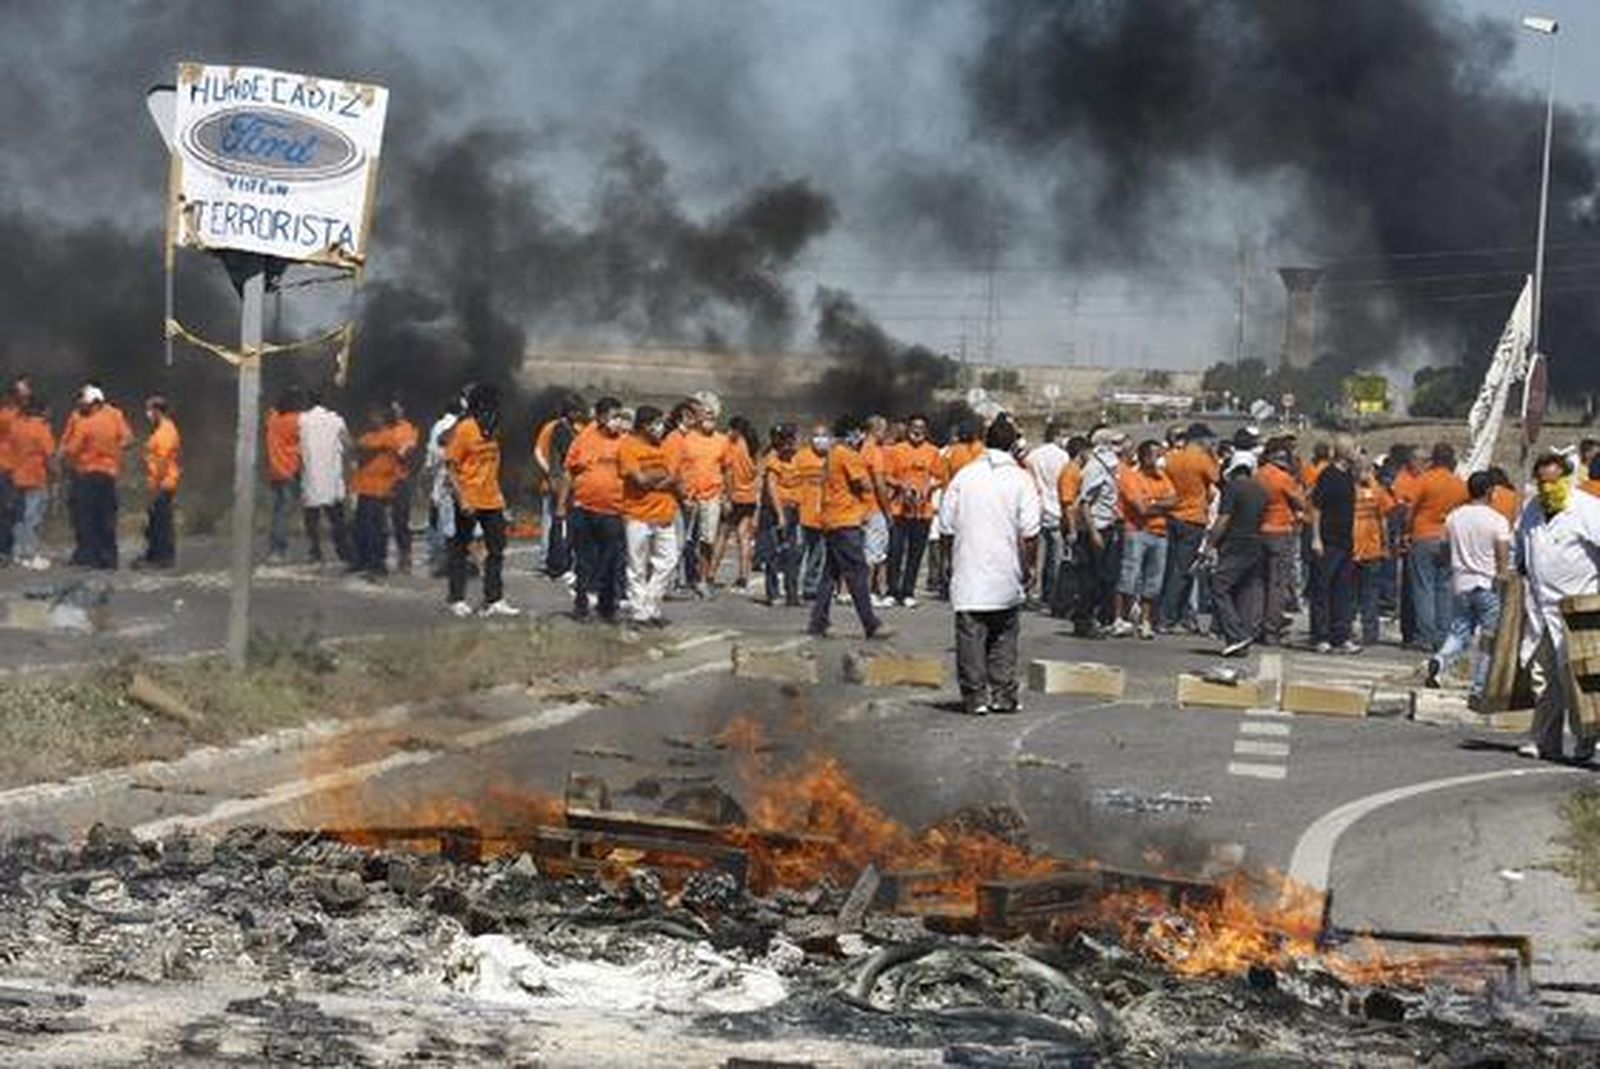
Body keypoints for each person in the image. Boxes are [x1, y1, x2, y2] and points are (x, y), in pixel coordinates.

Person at [939, 415, 1042, 715]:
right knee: (1004, 636)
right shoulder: (1021, 479)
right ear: (1013, 445)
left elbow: (946, 526)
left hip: (969, 570)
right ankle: (1003, 694)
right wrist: (1030, 567)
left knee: (970, 636)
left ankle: (975, 698)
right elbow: (1031, 532)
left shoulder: (965, 476)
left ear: (986, 442)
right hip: (1005, 573)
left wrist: (947, 561)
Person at [1516, 452, 1600, 765]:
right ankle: (1544, 740)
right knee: (1544, 677)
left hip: (1578, 610)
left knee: (1578, 680)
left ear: (1567, 479)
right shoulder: (1532, 510)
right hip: (1541, 609)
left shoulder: (1587, 509)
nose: (1548, 488)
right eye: (1542, 482)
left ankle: (1586, 740)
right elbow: (1520, 550)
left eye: (1554, 482)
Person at [1426, 471, 1511, 703]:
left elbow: (1443, 550)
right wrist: (1503, 577)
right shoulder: (1497, 520)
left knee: (1459, 631)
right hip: (1486, 584)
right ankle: (1478, 688)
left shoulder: (1454, 517)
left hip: (1461, 583)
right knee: (1488, 639)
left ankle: (1440, 659)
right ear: (1488, 491)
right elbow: (1502, 556)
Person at [807, 415, 889, 640]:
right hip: (846, 521)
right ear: (852, 433)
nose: (861, 437)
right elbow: (864, 484)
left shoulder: (833, 454)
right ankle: (871, 623)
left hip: (832, 519)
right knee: (858, 572)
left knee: (831, 573)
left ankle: (818, 620)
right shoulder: (848, 455)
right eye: (859, 433)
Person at [444, 384, 518, 618]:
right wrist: (462, 499)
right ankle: (456, 598)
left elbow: (493, 467)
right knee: (461, 549)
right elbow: (451, 467)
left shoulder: (494, 429)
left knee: (497, 548)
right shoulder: (465, 429)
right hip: (469, 498)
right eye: (492, 404)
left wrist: (502, 501)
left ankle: (494, 599)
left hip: (492, 499)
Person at [1402, 443, 1469, 652]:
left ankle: (1426, 636)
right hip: (1448, 539)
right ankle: (1443, 635)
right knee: (1445, 588)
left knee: (1424, 588)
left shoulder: (1424, 480)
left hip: (1423, 536)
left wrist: (1406, 532)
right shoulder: (1460, 484)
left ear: (1434, 459)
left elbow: (1410, 509)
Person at [566, 396, 628, 622]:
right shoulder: (584, 438)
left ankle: (607, 606)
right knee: (584, 560)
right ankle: (581, 605)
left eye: (620, 416)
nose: (618, 421)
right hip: (584, 507)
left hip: (613, 510)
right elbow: (570, 469)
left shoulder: (625, 441)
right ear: (601, 417)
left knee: (611, 562)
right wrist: (564, 505)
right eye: (614, 417)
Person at [619, 405, 682, 627]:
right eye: (657, 423)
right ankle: (639, 612)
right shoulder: (628, 445)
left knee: (669, 561)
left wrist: (658, 478)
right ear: (645, 425)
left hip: (664, 513)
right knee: (637, 565)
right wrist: (661, 476)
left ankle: (650, 604)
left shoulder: (664, 445)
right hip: (637, 514)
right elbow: (640, 480)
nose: (661, 427)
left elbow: (673, 477)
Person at [59, 384, 132, 570]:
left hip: (86, 474)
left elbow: (72, 449)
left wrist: (63, 455)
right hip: (109, 474)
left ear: (93, 403)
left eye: (83, 401)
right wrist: (114, 450)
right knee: (106, 517)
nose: (80, 405)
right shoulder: (115, 414)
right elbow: (128, 440)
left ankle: (89, 557)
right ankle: (109, 559)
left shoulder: (85, 422)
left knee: (86, 517)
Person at [1204, 453, 1268, 657]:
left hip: (1235, 544)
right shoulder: (1261, 490)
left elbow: (1223, 519)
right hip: (1255, 543)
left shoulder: (1232, 488)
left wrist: (1209, 544)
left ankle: (1235, 635)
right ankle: (1244, 636)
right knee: (1245, 591)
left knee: (1219, 586)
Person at [1113, 439, 1177, 639]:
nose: (1158, 459)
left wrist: (1153, 502)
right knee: (1129, 576)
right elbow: (1141, 509)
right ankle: (1120, 619)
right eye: (1154, 455)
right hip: (1136, 532)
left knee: (1153, 581)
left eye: (1159, 454)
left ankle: (1145, 621)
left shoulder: (1163, 478)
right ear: (1143, 457)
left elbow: (1174, 500)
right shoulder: (1131, 477)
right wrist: (1161, 505)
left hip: (1160, 534)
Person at [1159, 422, 1220, 632]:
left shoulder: (1172, 458)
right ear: (1201, 440)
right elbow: (1216, 477)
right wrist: (1213, 455)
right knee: (1183, 570)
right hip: (1194, 518)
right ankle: (1167, 617)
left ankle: (1174, 615)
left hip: (1172, 515)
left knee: (1171, 568)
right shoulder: (1202, 459)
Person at [1307, 435, 1359, 653]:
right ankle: (1321, 636)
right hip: (1328, 540)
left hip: (1345, 541)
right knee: (1322, 588)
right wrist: (1316, 538)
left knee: (1342, 590)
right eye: (1355, 448)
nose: (1358, 452)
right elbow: (1316, 507)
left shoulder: (1348, 475)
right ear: (1345, 451)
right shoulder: (1328, 475)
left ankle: (1341, 635)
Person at [885, 414, 942, 608]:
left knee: (915, 554)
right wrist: (902, 485)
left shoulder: (933, 451)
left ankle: (908, 592)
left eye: (921, 427)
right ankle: (892, 591)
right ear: (908, 429)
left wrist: (929, 487)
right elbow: (887, 476)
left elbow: (940, 476)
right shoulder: (896, 450)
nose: (917, 431)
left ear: (926, 431)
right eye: (914, 427)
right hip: (899, 509)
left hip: (922, 511)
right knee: (895, 551)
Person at [1076, 429, 1126, 633]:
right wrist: (1094, 532)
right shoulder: (1095, 468)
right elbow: (1085, 502)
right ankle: (1084, 620)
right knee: (1091, 578)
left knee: (1106, 576)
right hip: (1096, 527)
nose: (1120, 447)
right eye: (1115, 443)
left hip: (1108, 525)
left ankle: (1098, 618)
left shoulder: (1110, 466)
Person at [1256, 445, 1305, 646]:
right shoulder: (1283, 478)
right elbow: (1300, 501)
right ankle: (1271, 628)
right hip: (1280, 531)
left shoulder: (1258, 475)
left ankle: (1257, 624)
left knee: (1259, 582)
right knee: (1277, 584)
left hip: (1260, 530)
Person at [679, 404, 730, 596]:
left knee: (707, 540)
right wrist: (682, 493)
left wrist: (727, 496)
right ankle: (681, 579)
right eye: (706, 414)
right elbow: (678, 467)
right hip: (689, 497)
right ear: (698, 417)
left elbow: (727, 469)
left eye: (713, 415)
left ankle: (702, 579)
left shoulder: (722, 440)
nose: (710, 417)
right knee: (684, 540)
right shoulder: (686, 439)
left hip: (712, 496)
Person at [533, 395, 584, 580]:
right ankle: (548, 560)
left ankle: (563, 560)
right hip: (556, 482)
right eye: (575, 410)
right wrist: (551, 474)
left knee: (565, 523)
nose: (578, 414)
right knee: (552, 522)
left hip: (570, 484)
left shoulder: (577, 428)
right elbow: (539, 452)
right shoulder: (554, 427)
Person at [299, 392, 352, 565]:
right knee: (337, 519)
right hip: (332, 477)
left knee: (311, 519)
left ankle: (315, 552)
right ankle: (344, 552)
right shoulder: (336, 420)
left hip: (311, 476)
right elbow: (348, 444)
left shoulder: (302, 420)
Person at [710, 415, 760, 593]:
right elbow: (757, 473)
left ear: (735, 430)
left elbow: (729, 473)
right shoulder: (753, 445)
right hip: (750, 497)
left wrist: (728, 497)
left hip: (735, 496)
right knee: (744, 537)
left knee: (722, 536)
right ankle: (743, 576)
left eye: (730, 429)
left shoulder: (734, 445)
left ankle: (711, 574)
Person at [1025, 420, 1072, 609]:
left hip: (1038, 508)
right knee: (1056, 558)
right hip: (1056, 509)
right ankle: (1052, 595)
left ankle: (1034, 591)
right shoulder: (1063, 457)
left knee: (1038, 557)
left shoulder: (1033, 455)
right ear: (1057, 435)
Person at [351, 405, 401, 577]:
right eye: (371, 416)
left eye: (376, 416)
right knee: (361, 527)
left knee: (377, 528)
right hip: (363, 488)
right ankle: (362, 560)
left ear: (383, 418)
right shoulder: (368, 436)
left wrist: (363, 448)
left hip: (380, 489)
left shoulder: (389, 435)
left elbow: (367, 449)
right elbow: (357, 449)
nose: (372, 419)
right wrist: (361, 448)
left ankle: (378, 563)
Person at [424, 387, 470, 577]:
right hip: (459, 478)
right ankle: (454, 561)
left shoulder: (439, 425)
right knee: (453, 521)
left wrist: (428, 472)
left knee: (442, 520)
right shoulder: (463, 425)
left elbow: (433, 454)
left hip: (444, 477)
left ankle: (443, 560)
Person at [1351, 456, 1395, 648]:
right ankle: (1370, 632)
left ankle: (1352, 629)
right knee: (1369, 593)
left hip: (1357, 547)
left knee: (1354, 592)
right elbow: (1384, 520)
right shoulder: (1378, 491)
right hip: (1369, 547)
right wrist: (1386, 545)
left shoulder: (1350, 489)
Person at [758, 424, 802, 607]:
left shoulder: (796, 458)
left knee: (793, 553)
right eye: (787, 440)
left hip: (793, 510)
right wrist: (780, 515)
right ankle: (773, 593)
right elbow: (772, 489)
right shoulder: (773, 459)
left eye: (792, 439)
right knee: (774, 553)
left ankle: (792, 593)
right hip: (775, 511)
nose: (791, 443)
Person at [8, 394, 53, 570]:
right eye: (48, 410)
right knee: (34, 517)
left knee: (19, 517)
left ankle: (17, 552)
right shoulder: (41, 428)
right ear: (40, 411)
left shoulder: (16, 426)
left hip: (17, 477)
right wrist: (57, 473)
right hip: (35, 477)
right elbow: (49, 454)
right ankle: (31, 554)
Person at [137, 396, 181, 569]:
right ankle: (154, 556)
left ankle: (163, 558)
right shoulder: (162, 430)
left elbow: (162, 460)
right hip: (160, 482)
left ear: (157, 411)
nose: (148, 414)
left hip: (164, 482)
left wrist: (156, 484)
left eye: (149, 410)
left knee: (161, 523)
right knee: (155, 522)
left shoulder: (166, 432)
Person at [265, 387, 303, 563]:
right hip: (290, 470)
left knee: (278, 511)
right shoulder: (296, 420)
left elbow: (272, 410)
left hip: (275, 471)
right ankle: (278, 550)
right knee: (284, 513)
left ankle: (275, 548)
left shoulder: (273, 419)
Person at [794, 423, 830, 600]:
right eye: (817, 436)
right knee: (798, 551)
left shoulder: (833, 458)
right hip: (802, 513)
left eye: (824, 436)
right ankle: (792, 585)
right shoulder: (801, 457)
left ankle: (810, 586)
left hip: (823, 515)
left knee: (818, 554)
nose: (820, 440)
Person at [860, 415, 894, 604]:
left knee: (869, 551)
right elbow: (879, 484)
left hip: (862, 507)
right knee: (874, 554)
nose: (885, 434)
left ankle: (873, 592)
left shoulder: (861, 449)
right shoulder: (874, 451)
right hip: (874, 507)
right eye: (884, 430)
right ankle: (867, 595)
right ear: (877, 430)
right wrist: (888, 512)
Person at [386, 400, 420, 573]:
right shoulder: (384, 427)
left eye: (397, 408)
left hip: (400, 480)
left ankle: (405, 554)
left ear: (402, 410)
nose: (394, 411)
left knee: (400, 520)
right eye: (391, 408)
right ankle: (376, 557)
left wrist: (396, 450)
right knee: (378, 520)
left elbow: (408, 454)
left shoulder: (408, 429)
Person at [0, 376, 30, 565]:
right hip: (6, 470)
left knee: (13, 512)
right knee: (7, 510)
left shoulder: (18, 417)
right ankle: (4, 551)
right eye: (24, 391)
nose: (28, 394)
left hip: (16, 471)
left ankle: (8, 550)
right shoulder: (6, 417)